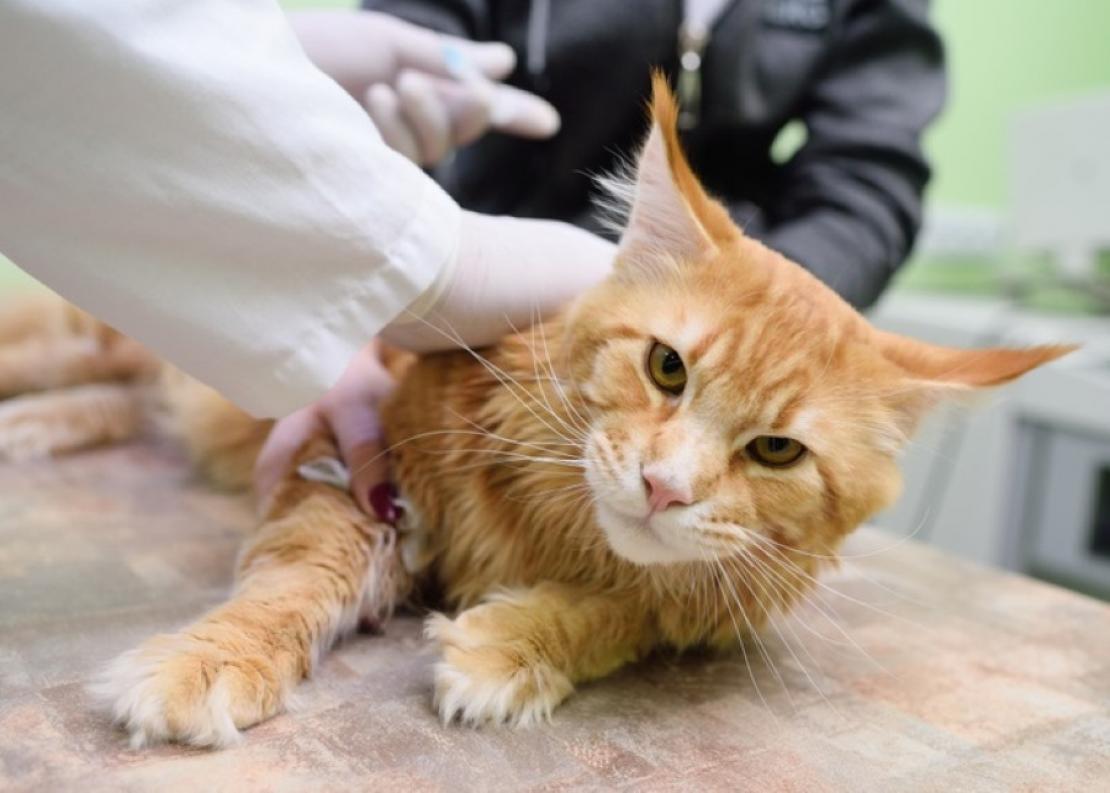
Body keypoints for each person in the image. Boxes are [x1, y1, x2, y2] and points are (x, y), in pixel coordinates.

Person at [0, 1, 613, 514]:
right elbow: (94, 37)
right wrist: (422, 263)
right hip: (396, 310)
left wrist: (279, 60)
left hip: (438, 313)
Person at [323, 0, 945, 309]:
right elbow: (413, 32)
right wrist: (388, 115)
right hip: (485, 302)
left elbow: (867, 185)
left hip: (719, 315)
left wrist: (750, 313)